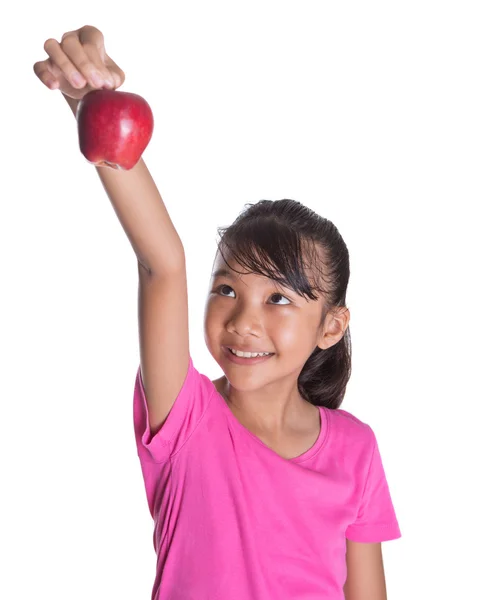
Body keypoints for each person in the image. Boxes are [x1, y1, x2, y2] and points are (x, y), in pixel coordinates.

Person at [34, 25, 401, 600]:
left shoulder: (357, 449)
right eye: (227, 289)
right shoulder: (186, 419)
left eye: (279, 298)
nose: (242, 320)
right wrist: (91, 105)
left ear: (331, 325)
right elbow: (162, 263)